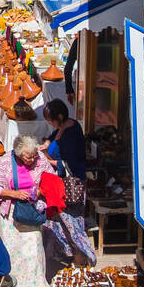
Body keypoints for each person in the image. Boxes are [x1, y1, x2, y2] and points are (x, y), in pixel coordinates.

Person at [0, 134, 55, 287]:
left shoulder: (40, 159)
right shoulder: (5, 162)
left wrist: (40, 191)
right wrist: (15, 194)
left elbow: (52, 179)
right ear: (18, 154)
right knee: (15, 254)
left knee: (34, 251)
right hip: (12, 214)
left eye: (34, 155)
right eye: (28, 156)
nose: (32, 159)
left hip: (32, 213)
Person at [41, 100, 97, 267]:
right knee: (58, 220)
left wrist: (47, 161)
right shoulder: (62, 128)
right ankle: (66, 253)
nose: (50, 123)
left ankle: (81, 256)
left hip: (72, 184)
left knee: (72, 222)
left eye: (51, 120)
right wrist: (45, 145)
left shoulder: (71, 133)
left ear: (59, 116)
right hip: (60, 183)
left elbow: (71, 162)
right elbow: (51, 141)